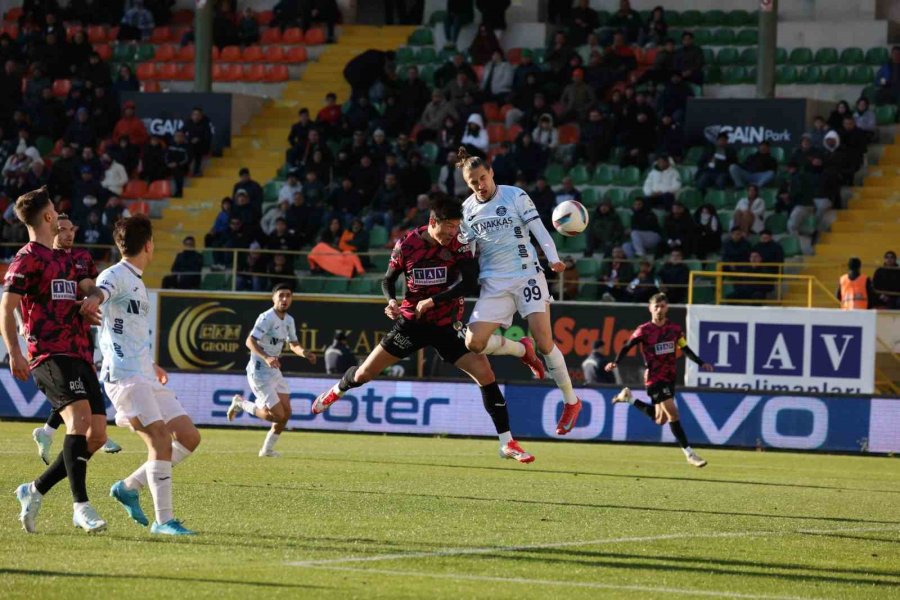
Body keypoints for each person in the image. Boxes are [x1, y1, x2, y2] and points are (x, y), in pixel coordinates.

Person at [309, 195, 536, 462]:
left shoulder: (459, 243)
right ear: (433, 221)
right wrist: (391, 301)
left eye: (456, 225)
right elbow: (388, 280)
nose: (453, 232)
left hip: (447, 325)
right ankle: (336, 391)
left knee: (486, 375)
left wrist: (434, 301)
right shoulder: (407, 244)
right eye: (448, 226)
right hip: (412, 325)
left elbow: (469, 284)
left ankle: (507, 443)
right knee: (364, 373)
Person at [81, 215, 201, 536]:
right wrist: (92, 300)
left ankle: (128, 486)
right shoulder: (116, 275)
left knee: (189, 437)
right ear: (149, 245)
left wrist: (153, 364)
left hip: (144, 371)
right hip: (125, 376)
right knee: (160, 440)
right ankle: (164, 521)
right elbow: (100, 292)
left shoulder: (136, 279)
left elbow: (128, 330)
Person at [453, 148, 584, 435]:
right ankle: (519, 349)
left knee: (545, 342)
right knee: (473, 344)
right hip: (494, 283)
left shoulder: (515, 196)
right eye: (473, 182)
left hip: (527, 276)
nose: (480, 185)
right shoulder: (467, 210)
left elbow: (538, 229)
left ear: (491, 173)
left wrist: (552, 259)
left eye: (483, 178)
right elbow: (468, 251)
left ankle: (571, 401)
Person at [3, 187, 108, 533]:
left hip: (80, 352)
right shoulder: (27, 257)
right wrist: (15, 352)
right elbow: (7, 306)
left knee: (97, 437)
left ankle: (33, 490)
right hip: (49, 353)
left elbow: (78, 291)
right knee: (78, 420)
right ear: (49, 217)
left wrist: (87, 305)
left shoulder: (64, 258)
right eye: (55, 210)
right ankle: (81, 506)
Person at [30, 214, 124, 463]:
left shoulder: (81, 257)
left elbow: (87, 286)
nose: (68, 234)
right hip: (53, 341)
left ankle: (51, 432)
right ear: (51, 231)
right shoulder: (41, 259)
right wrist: (21, 324)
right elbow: (24, 299)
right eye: (62, 230)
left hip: (79, 337)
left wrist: (94, 297)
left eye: (71, 229)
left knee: (78, 392)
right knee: (74, 396)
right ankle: (89, 434)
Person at [605, 293, 712, 467]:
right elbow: (628, 346)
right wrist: (616, 362)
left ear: (667, 307)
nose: (659, 309)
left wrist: (701, 362)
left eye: (662, 306)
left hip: (670, 377)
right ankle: (689, 453)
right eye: (656, 306)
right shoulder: (644, 330)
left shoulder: (675, 329)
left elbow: (684, 348)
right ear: (650, 308)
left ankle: (628, 398)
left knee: (660, 419)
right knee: (673, 413)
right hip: (655, 377)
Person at [225, 284, 318, 457]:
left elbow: (293, 344)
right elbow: (249, 341)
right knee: (276, 416)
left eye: (288, 295)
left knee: (286, 414)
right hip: (259, 372)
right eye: (281, 295)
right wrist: (266, 357)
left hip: (274, 371)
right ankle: (241, 403)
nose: (285, 299)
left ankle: (266, 450)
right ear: (273, 298)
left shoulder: (289, 320)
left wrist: (305, 353)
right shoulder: (266, 317)